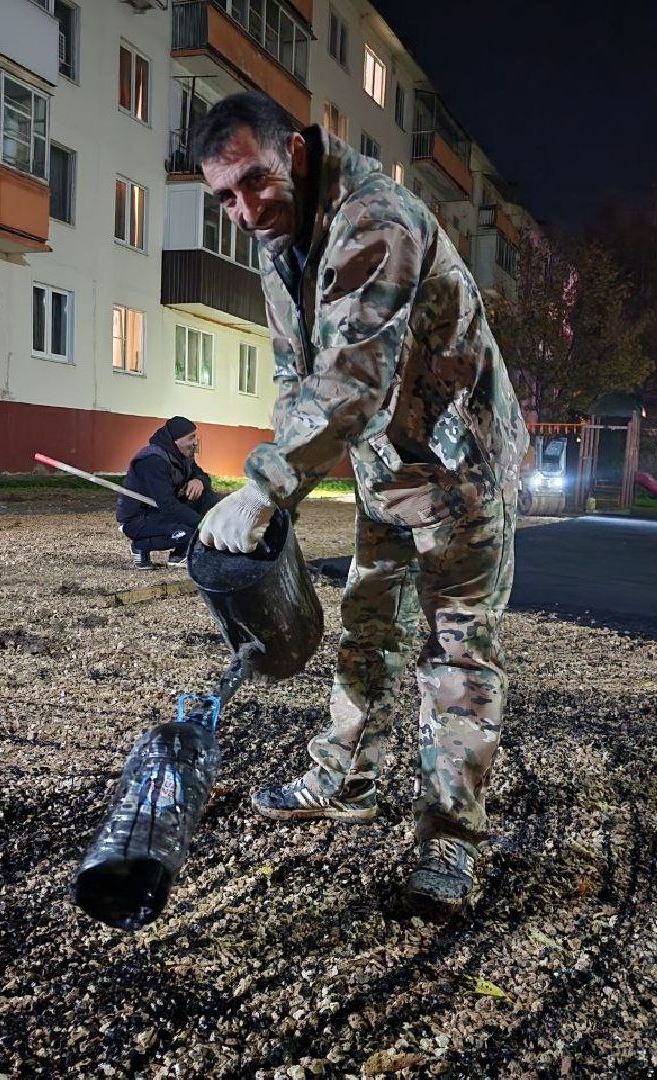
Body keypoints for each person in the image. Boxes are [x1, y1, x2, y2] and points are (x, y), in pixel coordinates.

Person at [190, 92, 529, 916]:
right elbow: (296, 379)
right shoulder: (281, 247)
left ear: (297, 153)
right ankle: (344, 777)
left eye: (254, 181)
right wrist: (283, 496)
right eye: (224, 198)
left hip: (459, 469)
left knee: (456, 655)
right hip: (386, 469)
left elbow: (352, 381)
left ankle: (450, 838)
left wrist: (265, 486)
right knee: (369, 625)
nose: (244, 211)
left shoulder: (377, 220)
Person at [116, 416, 219, 570]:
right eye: (191, 437)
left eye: (195, 436)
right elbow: (169, 506)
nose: (196, 442)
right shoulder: (153, 461)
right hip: (139, 518)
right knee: (190, 530)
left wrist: (199, 481)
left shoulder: (182, 455)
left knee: (207, 497)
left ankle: (180, 555)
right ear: (176, 440)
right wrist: (203, 524)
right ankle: (140, 545)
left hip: (160, 510)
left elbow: (203, 476)